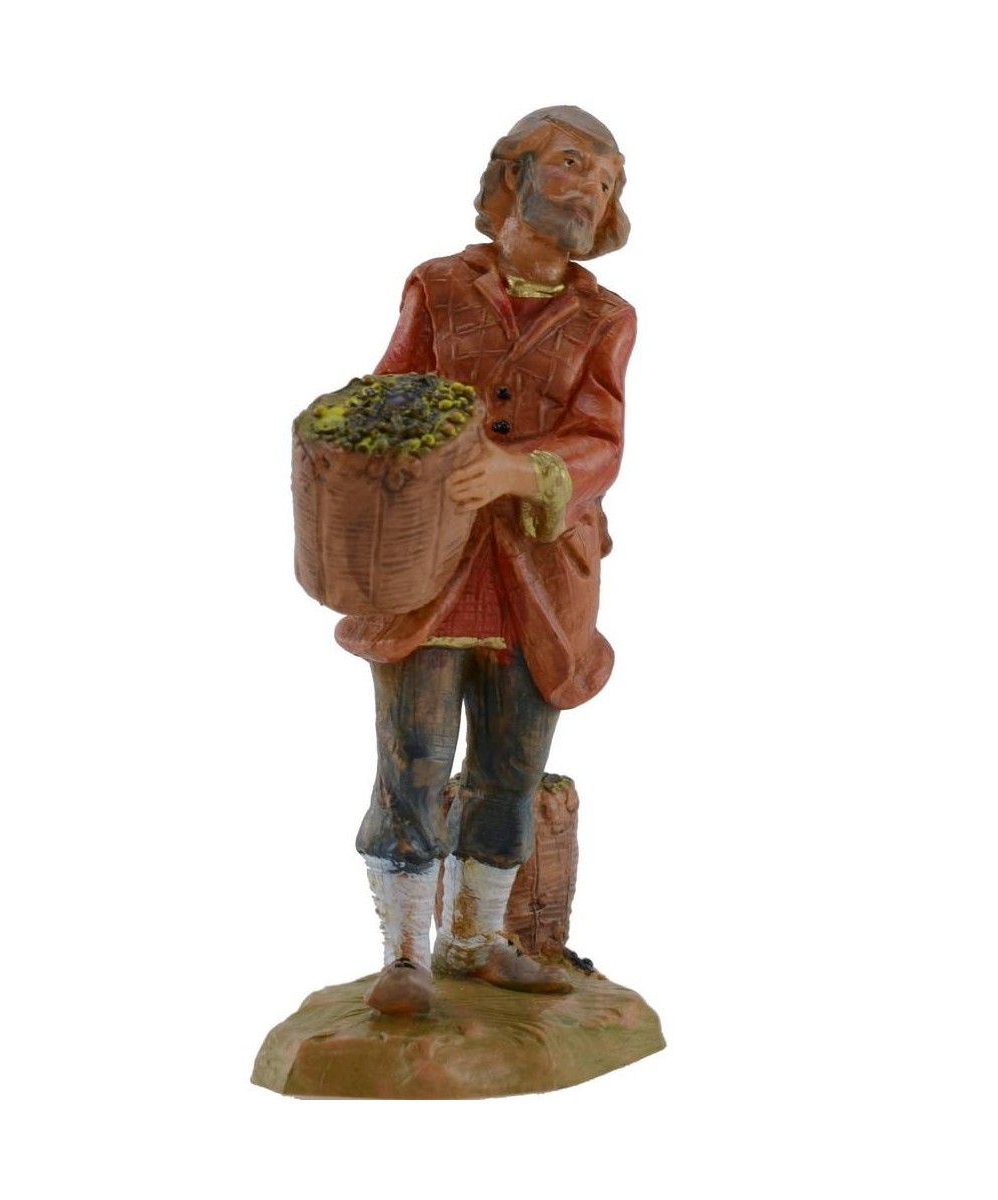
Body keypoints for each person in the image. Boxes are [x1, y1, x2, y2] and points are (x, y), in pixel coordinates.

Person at [337, 106, 636, 1015]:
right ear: (514, 174)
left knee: (512, 764)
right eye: (573, 164)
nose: (590, 190)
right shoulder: (437, 286)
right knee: (415, 756)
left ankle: (476, 938)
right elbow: (389, 393)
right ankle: (405, 953)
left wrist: (520, 471)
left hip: (541, 574)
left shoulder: (606, 318)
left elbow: (602, 439)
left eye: (607, 181)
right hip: (429, 565)